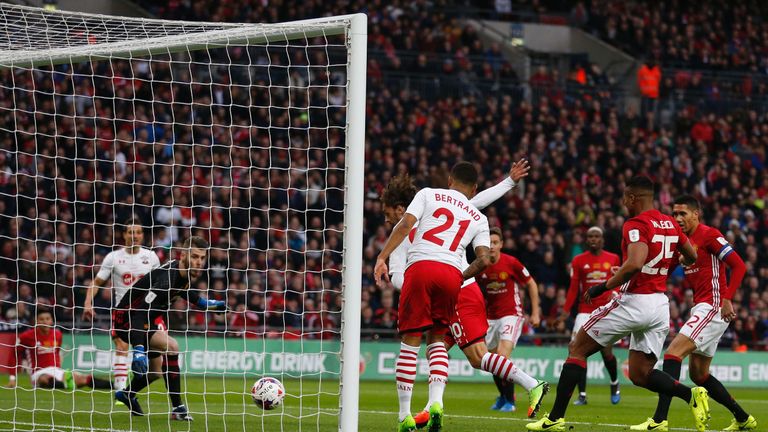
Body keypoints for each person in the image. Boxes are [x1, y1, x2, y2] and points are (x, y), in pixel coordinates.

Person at [527, 176, 710, 432]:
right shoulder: (670, 223)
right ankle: (691, 395)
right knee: (640, 373)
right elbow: (690, 255)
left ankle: (555, 418)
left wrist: (602, 287)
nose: (623, 203)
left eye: (625, 198)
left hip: (634, 301)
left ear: (633, 198)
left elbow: (634, 264)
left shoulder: (635, 224)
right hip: (659, 306)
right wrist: (660, 268)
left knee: (577, 349)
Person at [374, 161, 493, 432]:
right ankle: (436, 402)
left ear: (450, 180)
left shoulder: (428, 193)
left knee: (410, 342)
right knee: (437, 339)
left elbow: (405, 225)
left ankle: (404, 415)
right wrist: (461, 276)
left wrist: (383, 256)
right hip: (452, 274)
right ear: (474, 189)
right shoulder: (478, 217)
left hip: (421, 267)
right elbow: (485, 260)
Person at [630, 195, 756, 431]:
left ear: (696, 214)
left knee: (672, 355)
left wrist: (728, 298)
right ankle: (743, 419)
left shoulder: (709, 234)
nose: (678, 218)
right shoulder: (682, 242)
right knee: (699, 374)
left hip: (713, 305)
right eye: (675, 214)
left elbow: (739, 265)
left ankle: (659, 421)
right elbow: (664, 270)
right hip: (702, 306)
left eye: (683, 214)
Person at [113, 236, 226, 421]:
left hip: (144, 318)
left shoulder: (183, 274)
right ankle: (178, 409)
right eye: (195, 256)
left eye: (202, 258)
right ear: (183, 255)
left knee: (155, 372)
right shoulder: (167, 280)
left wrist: (207, 304)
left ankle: (126, 394)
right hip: (127, 319)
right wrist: (138, 349)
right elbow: (140, 314)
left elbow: (184, 291)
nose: (198, 262)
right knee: (172, 346)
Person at [82, 217, 161, 393]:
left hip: (147, 312)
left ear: (143, 235)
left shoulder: (151, 257)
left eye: (138, 232)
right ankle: (120, 390)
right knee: (121, 346)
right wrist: (88, 303)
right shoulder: (114, 257)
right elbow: (96, 282)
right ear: (124, 235)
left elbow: (161, 284)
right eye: (131, 232)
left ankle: (130, 391)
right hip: (123, 313)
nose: (135, 236)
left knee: (156, 365)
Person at [557, 226, 621, 406]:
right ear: (586, 240)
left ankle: (614, 383)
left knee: (606, 352)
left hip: (605, 310)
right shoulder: (578, 260)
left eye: (597, 236)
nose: (593, 239)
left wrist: (614, 293)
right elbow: (573, 288)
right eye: (590, 236)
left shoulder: (613, 258)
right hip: (585, 311)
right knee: (576, 349)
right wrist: (565, 312)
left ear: (602, 240)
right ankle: (582, 395)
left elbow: (619, 280)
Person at [479, 227, 541, 412]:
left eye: (495, 242)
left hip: (511, 314)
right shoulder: (480, 265)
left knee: (502, 357)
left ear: (501, 245)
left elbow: (531, 283)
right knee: (491, 361)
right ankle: (503, 396)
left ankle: (510, 402)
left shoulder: (511, 262)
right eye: (489, 242)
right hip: (490, 318)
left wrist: (536, 312)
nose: (491, 246)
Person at [11, 308, 112, 390]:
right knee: (44, 379)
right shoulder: (27, 336)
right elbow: (14, 354)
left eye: (47, 318)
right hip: (39, 373)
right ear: (36, 321)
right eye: (42, 319)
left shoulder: (57, 334)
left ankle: (115, 385)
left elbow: (57, 352)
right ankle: (66, 384)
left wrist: (58, 366)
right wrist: (12, 378)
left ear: (51, 320)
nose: (45, 321)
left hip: (56, 370)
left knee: (83, 379)